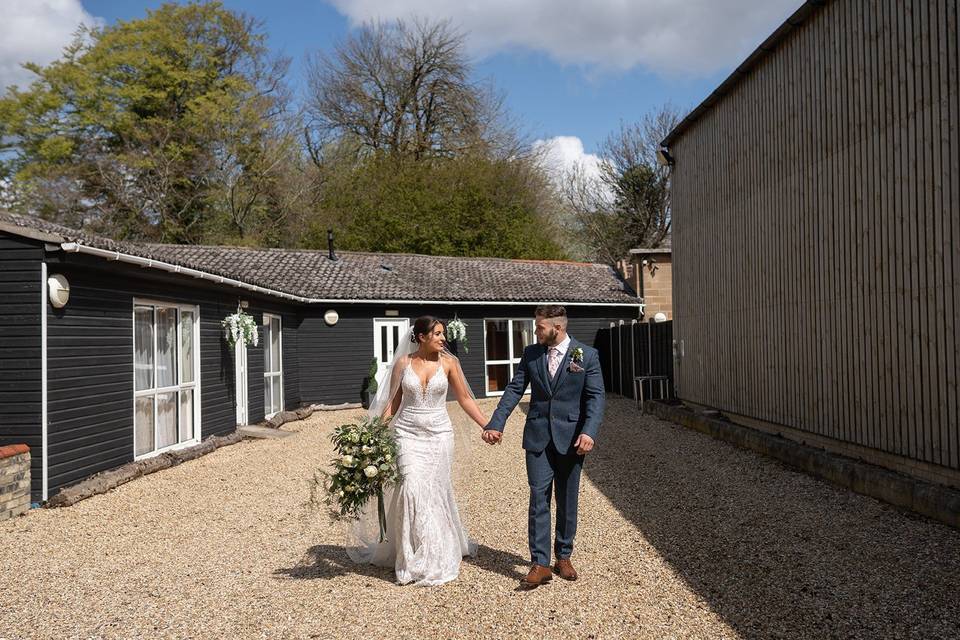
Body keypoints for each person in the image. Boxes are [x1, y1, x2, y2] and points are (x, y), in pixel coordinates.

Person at [349, 315, 489, 586]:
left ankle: (436, 553)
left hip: (439, 436)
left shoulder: (450, 363)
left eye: (443, 334)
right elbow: (392, 403)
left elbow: (464, 398)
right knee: (412, 487)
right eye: (437, 334)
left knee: (435, 491)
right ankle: (411, 555)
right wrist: (371, 435)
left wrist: (488, 424)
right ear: (421, 337)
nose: (443, 338)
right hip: (407, 434)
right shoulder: (404, 363)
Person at [483, 305, 605, 588]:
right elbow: (514, 388)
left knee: (567, 498)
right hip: (537, 436)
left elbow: (596, 398)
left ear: (557, 328)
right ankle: (539, 563)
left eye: (539, 327)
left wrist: (589, 432)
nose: (535, 331)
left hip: (572, 439)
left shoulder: (586, 355)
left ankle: (563, 556)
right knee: (538, 497)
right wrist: (496, 423)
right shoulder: (531, 354)